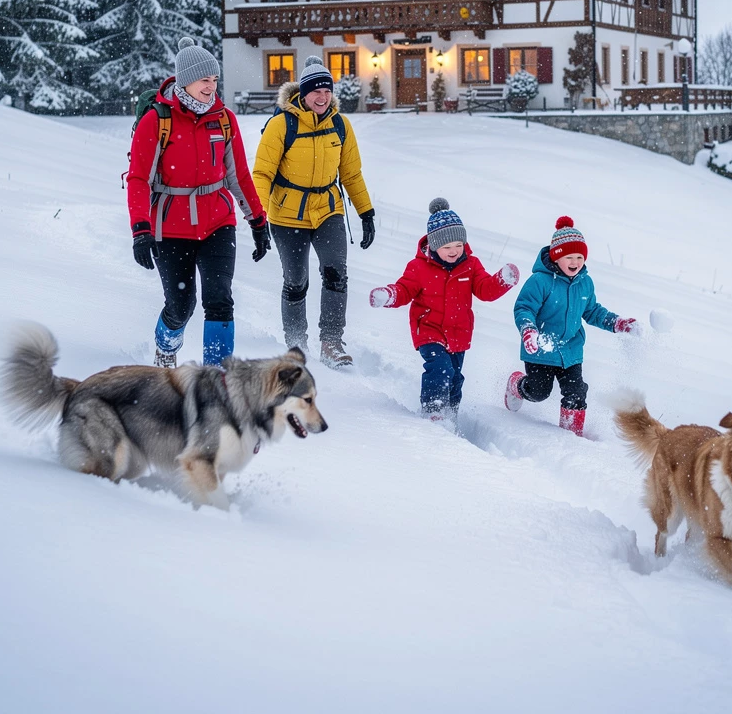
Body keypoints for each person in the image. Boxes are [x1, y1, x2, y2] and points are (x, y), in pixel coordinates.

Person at [127, 37, 269, 368]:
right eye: (205, 80)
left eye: (215, 80)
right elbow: (138, 179)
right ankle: (166, 346)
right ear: (185, 80)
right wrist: (140, 229)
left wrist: (258, 221)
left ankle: (217, 377)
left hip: (218, 223)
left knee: (220, 300)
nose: (211, 87)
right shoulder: (157, 121)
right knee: (181, 305)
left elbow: (239, 176)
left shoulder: (224, 120)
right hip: (170, 228)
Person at [252, 55, 374, 368]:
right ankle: (296, 344)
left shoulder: (340, 125)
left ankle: (331, 341)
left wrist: (366, 212)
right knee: (296, 280)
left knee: (335, 271)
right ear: (302, 94)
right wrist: (259, 216)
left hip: (327, 210)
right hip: (286, 214)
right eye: (315, 91)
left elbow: (351, 174)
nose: (322, 97)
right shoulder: (282, 125)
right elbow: (262, 174)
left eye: (327, 91)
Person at [370, 198, 518, 420]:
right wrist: (389, 295)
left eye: (458, 245)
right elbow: (404, 289)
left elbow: (485, 289)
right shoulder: (418, 267)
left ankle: (451, 414)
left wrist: (502, 280)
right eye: (447, 246)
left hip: (459, 333)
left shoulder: (471, 265)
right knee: (440, 369)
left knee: (455, 378)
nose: (454, 251)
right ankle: (433, 411)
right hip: (429, 330)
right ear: (433, 245)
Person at [504, 216, 638, 435]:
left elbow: (592, 311)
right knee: (538, 392)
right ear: (556, 257)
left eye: (579, 257)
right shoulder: (540, 281)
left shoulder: (585, 283)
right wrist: (528, 330)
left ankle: (571, 436)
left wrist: (617, 323)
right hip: (541, 350)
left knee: (576, 393)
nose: (575, 262)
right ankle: (517, 385)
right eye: (569, 257)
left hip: (571, 351)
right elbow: (524, 308)